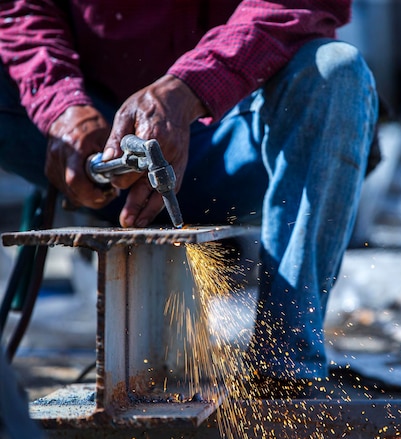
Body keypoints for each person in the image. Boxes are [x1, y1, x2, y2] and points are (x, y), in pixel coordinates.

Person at [0, 1, 378, 398]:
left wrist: (190, 88)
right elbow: (22, 11)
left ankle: (284, 367)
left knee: (336, 69)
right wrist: (63, 107)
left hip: (236, 138)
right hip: (99, 148)